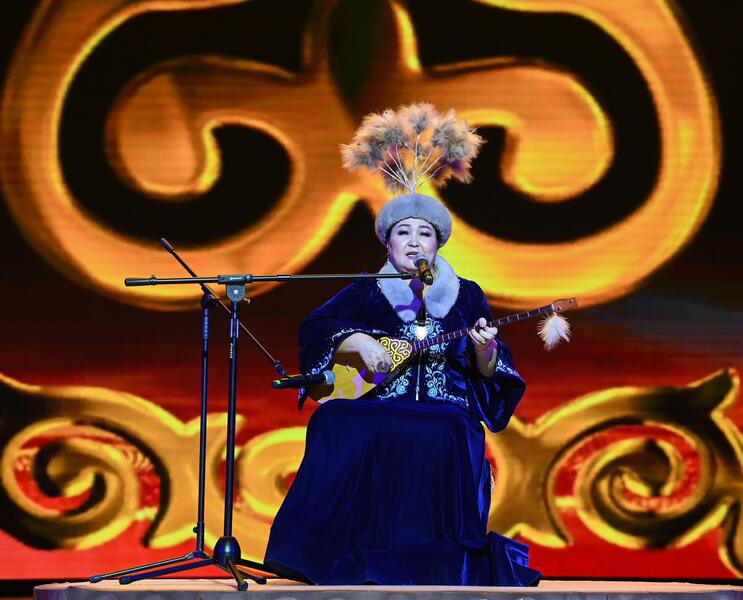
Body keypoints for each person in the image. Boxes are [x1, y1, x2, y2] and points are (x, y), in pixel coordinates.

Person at [263, 191, 541, 586]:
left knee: (450, 428)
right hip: (377, 402)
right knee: (334, 418)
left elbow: (492, 368)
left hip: (443, 408)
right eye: (403, 232)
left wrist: (485, 349)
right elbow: (318, 326)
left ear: (437, 243)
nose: (413, 242)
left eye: (424, 233)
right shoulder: (367, 289)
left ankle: (434, 560)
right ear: (388, 242)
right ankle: (309, 552)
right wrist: (357, 341)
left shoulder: (467, 294)